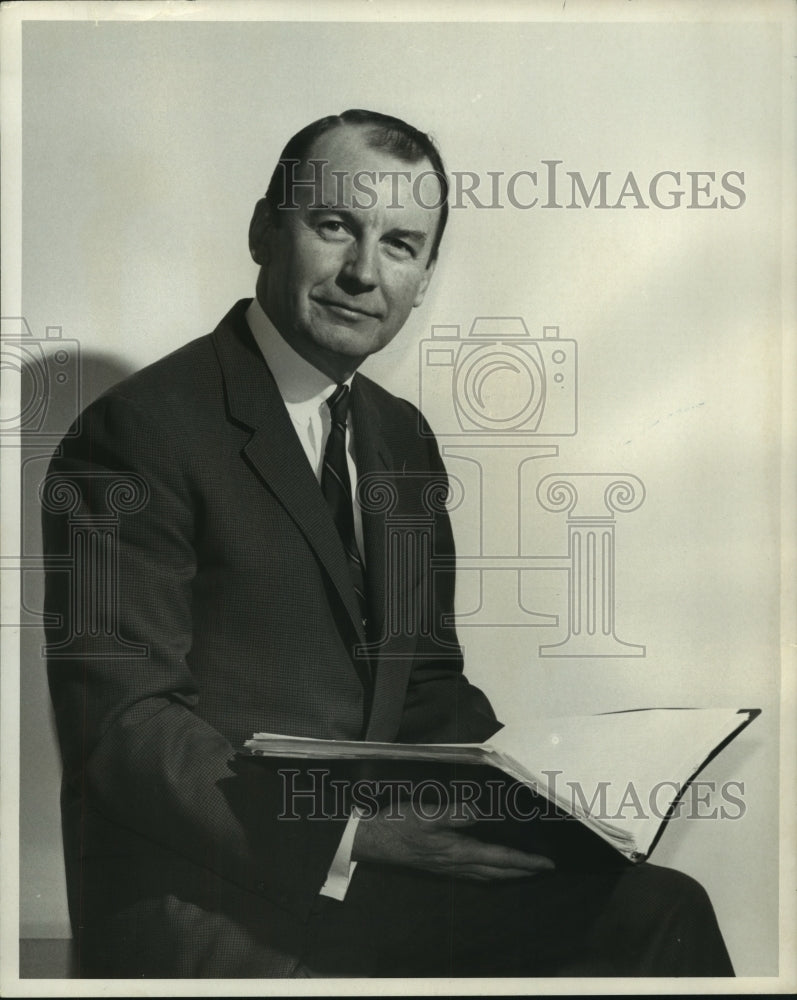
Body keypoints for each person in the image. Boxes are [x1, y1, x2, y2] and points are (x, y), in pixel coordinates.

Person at [42, 109, 734, 978]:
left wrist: (546, 795)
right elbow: (124, 725)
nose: (363, 273)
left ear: (424, 276)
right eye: (335, 226)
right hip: (220, 896)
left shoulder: (399, 436)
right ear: (263, 231)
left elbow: (425, 685)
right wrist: (351, 834)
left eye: (400, 244)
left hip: (374, 879)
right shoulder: (136, 431)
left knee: (655, 907)